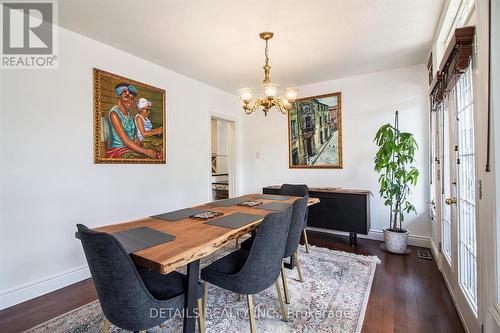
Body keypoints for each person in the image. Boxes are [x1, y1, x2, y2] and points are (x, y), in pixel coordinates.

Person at [105, 83, 158, 159]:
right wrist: (145, 151)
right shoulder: (114, 114)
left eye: (132, 99)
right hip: (119, 150)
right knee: (148, 157)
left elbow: (133, 135)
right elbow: (126, 140)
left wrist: (136, 138)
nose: (130, 101)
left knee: (156, 148)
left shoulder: (129, 114)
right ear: (119, 97)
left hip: (130, 147)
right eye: (126, 97)